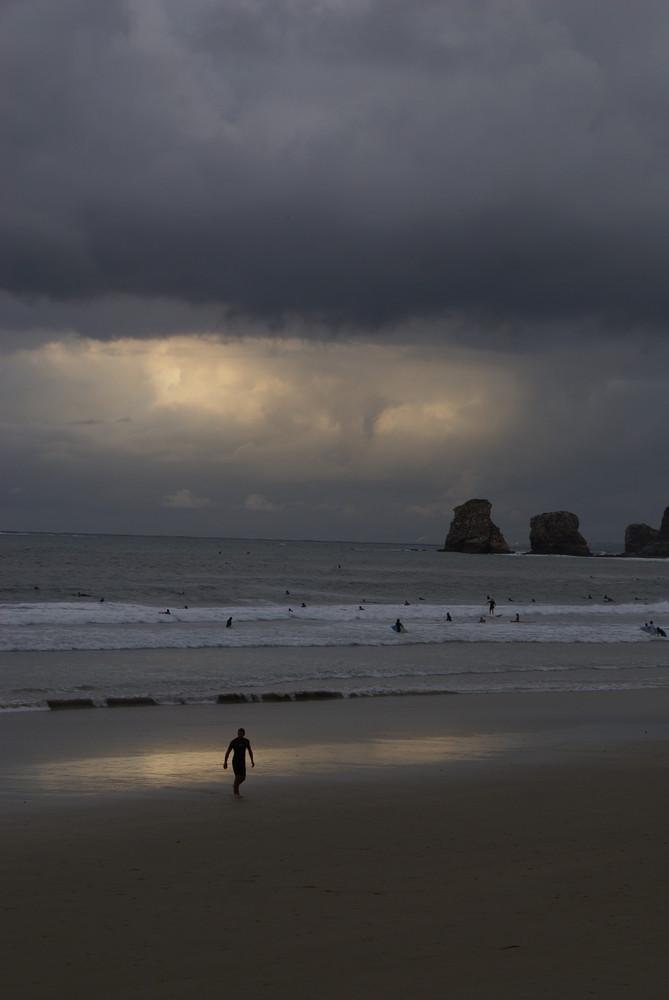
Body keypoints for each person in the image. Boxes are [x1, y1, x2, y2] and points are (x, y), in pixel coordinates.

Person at [224, 728, 254, 797]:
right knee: (237, 777)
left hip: (242, 761)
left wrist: (252, 760)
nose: (240, 735)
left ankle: (235, 785)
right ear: (237, 733)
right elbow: (228, 752)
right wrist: (225, 762)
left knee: (243, 778)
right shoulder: (234, 742)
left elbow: (250, 751)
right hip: (235, 761)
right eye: (239, 734)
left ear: (244, 734)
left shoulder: (246, 741)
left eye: (241, 734)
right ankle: (236, 793)